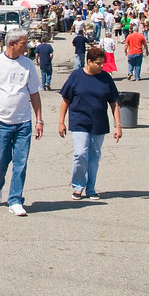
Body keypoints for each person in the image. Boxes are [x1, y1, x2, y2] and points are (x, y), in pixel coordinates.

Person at [0, 28, 43, 216]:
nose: (27, 46)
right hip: (0, 121)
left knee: (20, 162)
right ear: (12, 44)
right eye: (24, 43)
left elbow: (34, 94)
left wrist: (39, 120)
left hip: (23, 122)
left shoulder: (27, 64)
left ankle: (15, 199)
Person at [57, 47, 122, 200]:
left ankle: (91, 188)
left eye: (103, 63)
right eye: (98, 63)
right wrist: (61, 122)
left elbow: (114, 103)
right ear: (89, 61)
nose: (101, 66)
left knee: (94, 157)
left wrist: (118, 125)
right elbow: (65, 101)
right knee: (80, 154)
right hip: (80, 121)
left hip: (99, 123)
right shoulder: (76, 76)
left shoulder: (106, 78)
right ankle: (78, 186)